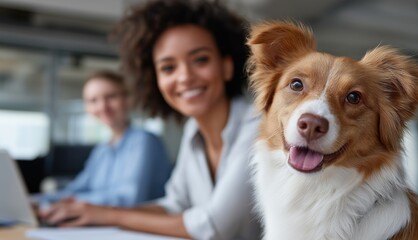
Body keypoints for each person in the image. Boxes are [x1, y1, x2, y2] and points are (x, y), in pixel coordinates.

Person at [39, 0, 261, 239]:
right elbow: (174, 204)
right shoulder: (192, 130)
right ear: (154, 79)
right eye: (168, 68)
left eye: (200, 60)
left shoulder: (259, 126)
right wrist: (92, 213)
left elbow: (213, 226)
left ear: (227, 67)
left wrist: (109, 215)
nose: (184, 77)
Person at [35, 70, 172, 208]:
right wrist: (39, 200)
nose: (102, 106)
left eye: (111, 97)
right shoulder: (101, 150)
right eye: (93, 100)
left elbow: (128, 199)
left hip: (136, 226)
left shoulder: (144, 141)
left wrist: (71, 202)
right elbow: (77, 188)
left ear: (127, 99)